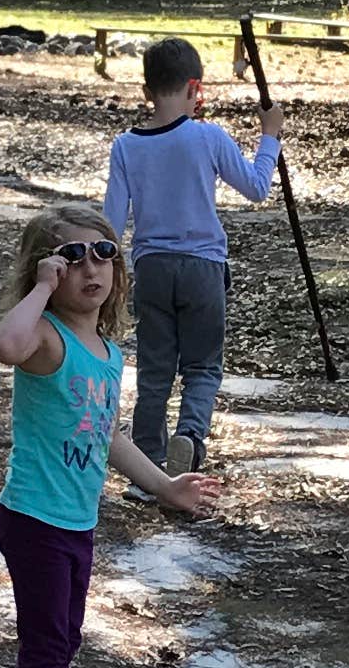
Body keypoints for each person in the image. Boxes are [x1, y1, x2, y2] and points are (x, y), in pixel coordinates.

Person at [0, 206, 221, 668]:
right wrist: (40, 287)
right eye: (71, 258)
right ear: (48, 270)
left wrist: (166, 487)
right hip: (36, 518)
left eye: (103, 253)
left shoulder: (106, 351)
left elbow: (106, 435)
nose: (91, 267)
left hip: (74, 521)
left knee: (63, 640)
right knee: (44, 643)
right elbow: (5, 345)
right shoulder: (46, 340)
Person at [101, 35, 283, 471]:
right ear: (194, 88)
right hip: (204, 267)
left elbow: (111, 219)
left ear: (146, 93)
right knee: (202, 364)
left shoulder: (126, 146)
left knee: (154, 370)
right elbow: (257, 187)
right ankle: (190, 437)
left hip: (153, 268)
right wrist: (269, 136)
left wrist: (108, 272)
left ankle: (146, 461)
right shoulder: (208, 138)